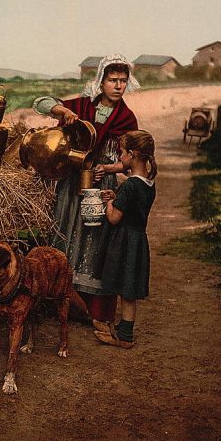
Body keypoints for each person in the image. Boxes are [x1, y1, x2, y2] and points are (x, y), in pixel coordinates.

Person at [32, 54, 141, 330]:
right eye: (113, 80)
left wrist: (111, 166)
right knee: (64, 231)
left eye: (123, 81)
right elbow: (40, 103)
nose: (118, 86)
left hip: (101, 186)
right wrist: (62, 112)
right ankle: (54, 299)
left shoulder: (126, 118)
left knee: (95, 240)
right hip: (70, 184)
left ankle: (90, 308)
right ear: (101, 82)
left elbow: (131, 161)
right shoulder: (80, 106)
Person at [93, 130, 157, 348]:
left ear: (131, 154)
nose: (119, 158)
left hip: (124, 241)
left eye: (121, 153)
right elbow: (133, 207)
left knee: (125, 288)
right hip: (138, 241)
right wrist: (117, 197)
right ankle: (125, 330)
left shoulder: (129, 185)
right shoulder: (148, 183)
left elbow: (113, 218)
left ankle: (124, 338)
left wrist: (109, 202)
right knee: (129, 290)